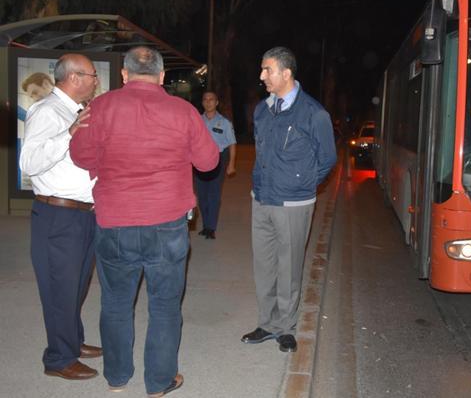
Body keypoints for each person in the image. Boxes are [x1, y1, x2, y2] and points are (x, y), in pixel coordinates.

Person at [70, 46, 218, 397]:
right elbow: (209, 161)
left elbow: (80, 155)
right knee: (165, 306)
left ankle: (117, 378)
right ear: (162, 76)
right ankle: (159, 382)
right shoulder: (182, 111)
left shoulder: (101, 108)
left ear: (124, 74)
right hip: (167, 225)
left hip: (114, 223)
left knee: (116, 303)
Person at [241, 46, 336, 353]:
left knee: (290, 266)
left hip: (294, 205)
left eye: (267, 70)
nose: (262, 76)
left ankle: (286, 327)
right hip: (262, 200)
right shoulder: (263, 109)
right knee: (264, 266)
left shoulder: (314, 113)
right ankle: (267, 324)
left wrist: (301, 184)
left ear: (286, 73)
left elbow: (327, 159)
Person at [19, 54, 102, 381]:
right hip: (58, 214)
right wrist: (68, 133)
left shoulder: (74, 110)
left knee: (76, 285)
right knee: (59, 288)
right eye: (93, 75)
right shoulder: (47, 112)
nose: (96, 81)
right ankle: (57, 358)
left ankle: (72, 341)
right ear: (74, 77)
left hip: (82, 215)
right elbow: (30, 162)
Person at [194, 91, 237, 239]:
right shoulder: (197, 120)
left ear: (217, 102)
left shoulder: (224, 122)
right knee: (201, 194)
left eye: (211, 99)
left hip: (219, 159)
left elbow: (232, 144)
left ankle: (210, 227)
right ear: (202, 102)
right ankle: (206, 225)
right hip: (200, 160)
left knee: (214, 194)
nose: (208, 102)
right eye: (205, 99)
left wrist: (231, 164)